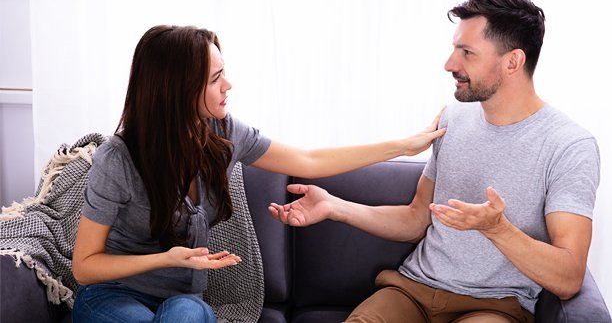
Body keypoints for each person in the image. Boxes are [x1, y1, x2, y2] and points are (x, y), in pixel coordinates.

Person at [70, 25, 446, 323]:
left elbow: (309, 160)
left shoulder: (223, 132)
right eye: (216, 77)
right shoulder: (118, 159)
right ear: (178, 90)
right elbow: (85, 267)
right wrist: (167, 259)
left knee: (185, 314)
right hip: (115, 295)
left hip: (183, 301)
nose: (228, 85)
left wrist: (404, 145)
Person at [269, 0, 600, 323]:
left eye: (467, 52)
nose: (449, 64)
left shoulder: (569, 146)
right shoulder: (454, 118)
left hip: (494, 306)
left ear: (512, 62)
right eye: (455, 48)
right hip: (412, 290)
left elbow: (569, 278)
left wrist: (496, 228)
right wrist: (335, 207)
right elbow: (416, 219)